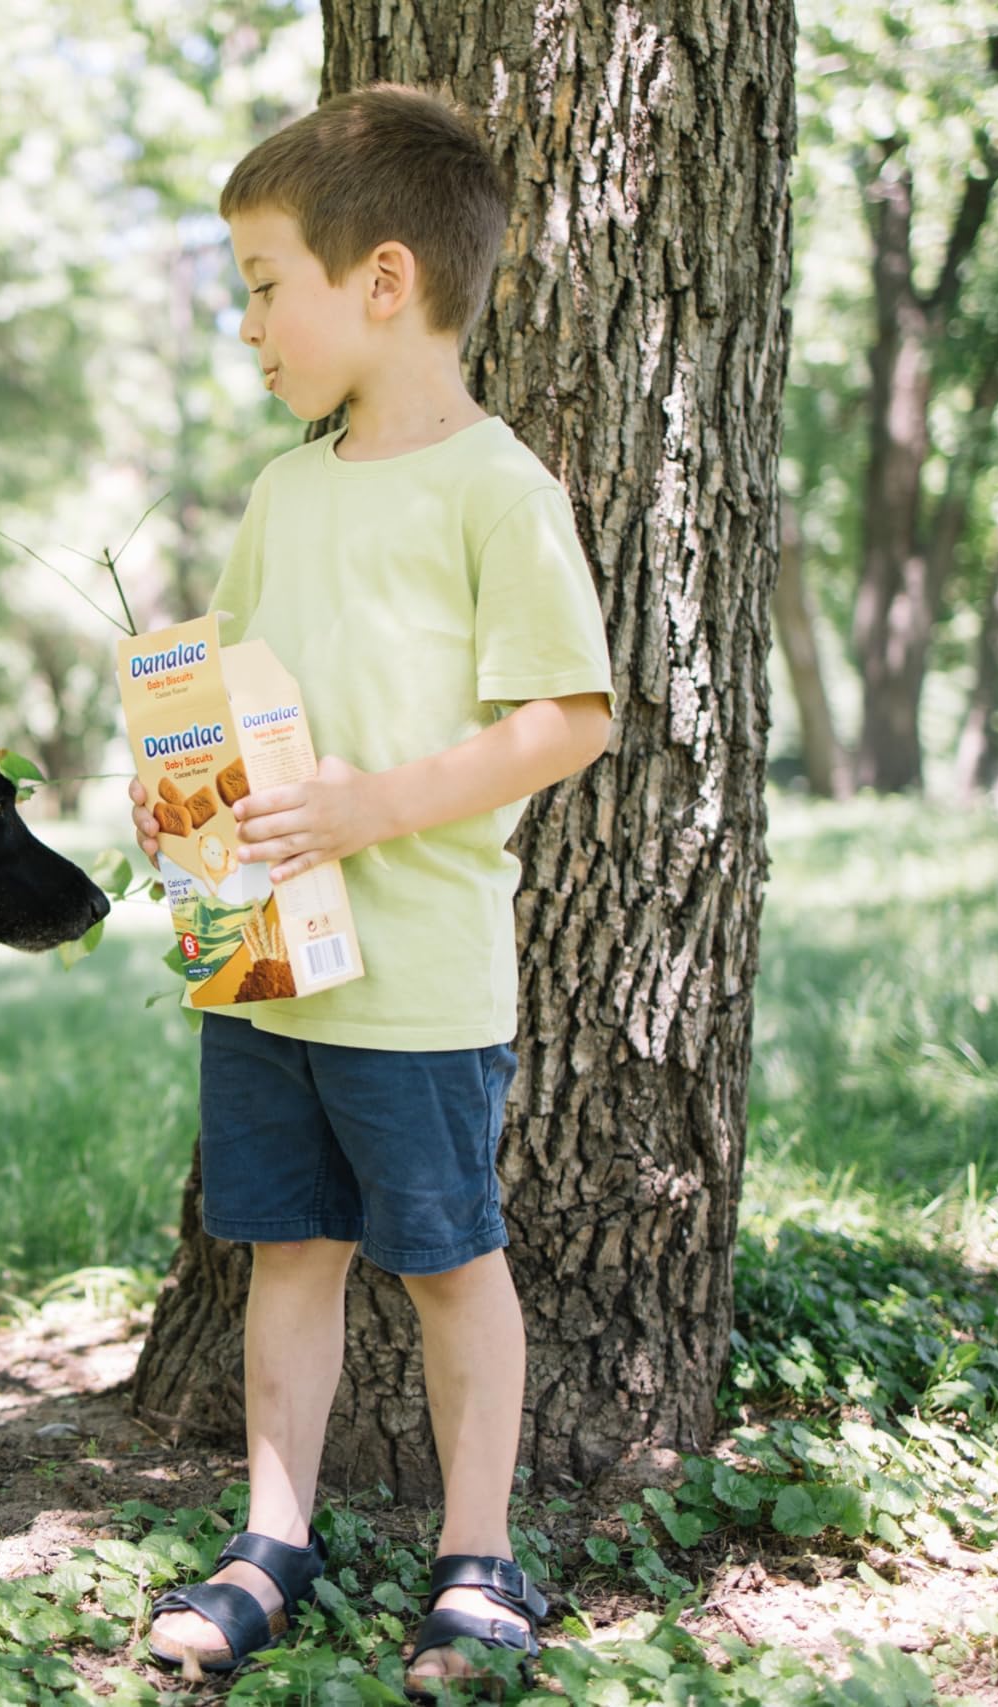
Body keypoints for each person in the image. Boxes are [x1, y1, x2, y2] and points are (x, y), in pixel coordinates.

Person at [127, 82, 614, 1684]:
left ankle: (479, 1558)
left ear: (384, 281)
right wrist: (182, 796)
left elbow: (568, 718)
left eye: (267, 284)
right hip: (269, 960)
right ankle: (272, 1540)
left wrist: (367, 810)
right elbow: (225, 685)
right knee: (288, 1250)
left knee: (449, 1260)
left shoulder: (497, 487)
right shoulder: (288, 492)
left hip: (415, 977)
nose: (249, 324)